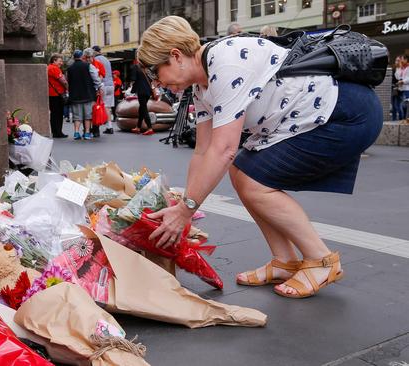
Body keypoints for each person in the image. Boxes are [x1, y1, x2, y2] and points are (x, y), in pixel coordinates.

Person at [137, 16, 382, 298]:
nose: (158, 84)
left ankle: (322, 261)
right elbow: (203, 150)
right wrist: (184, 205)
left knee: (253, 181)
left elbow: (224, 149)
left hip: (345, 113)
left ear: (175, 56)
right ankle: (285, 260)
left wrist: (186, 210)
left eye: (156, 73)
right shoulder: (202, 86)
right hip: (313, 116)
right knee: (242, 173)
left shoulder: (225, 62)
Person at [67, 49, 103, 140]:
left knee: (77, 116)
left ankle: (76, 132)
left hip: (74, 95)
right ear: (81, 56)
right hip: (88, 94)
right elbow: (96, 78)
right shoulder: (89, 66)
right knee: (88, 115)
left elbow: (68, 81)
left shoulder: (70, 68)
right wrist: (100, 87)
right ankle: (87, 133)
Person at [93, 45, 116, 135]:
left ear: (95, 51)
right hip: (111, 85)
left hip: (104, 85)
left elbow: (98, 74)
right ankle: (109, 126)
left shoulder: (97, 60)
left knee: (103, 106)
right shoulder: (107, 59)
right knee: (108, 107)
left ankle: (105, 126)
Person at [130, 59, 155, 135]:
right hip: (148, 91)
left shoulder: (135, 67)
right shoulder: (147, 69)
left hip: (141, 91)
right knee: (142, 108)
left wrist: (132, 89)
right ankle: (138, 127)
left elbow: (133, 79)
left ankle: (150, 128)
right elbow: (152, 79)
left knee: (144, 109)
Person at [47, 53, 69, 138]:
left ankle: (55, 131)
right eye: (60, 61)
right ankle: (58, 132)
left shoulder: (48, 68)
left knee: (54, 114)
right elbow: (63, 81)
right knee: (58, 114)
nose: (61, 63)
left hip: (51, 94)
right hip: (57, 94)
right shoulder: (54, 68)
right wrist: (67, 88)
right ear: (54, 60)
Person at [395, 55, 409, 121]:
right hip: (401, 89)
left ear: (406, 60)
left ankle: (405, 119)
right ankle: (403, 119)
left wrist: (402, 81)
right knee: (400, 106)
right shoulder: (402, 68)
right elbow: (397, 77)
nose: (401, 61)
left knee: (404, 106)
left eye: (402, 59)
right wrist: (398, 68)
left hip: (407, 89)